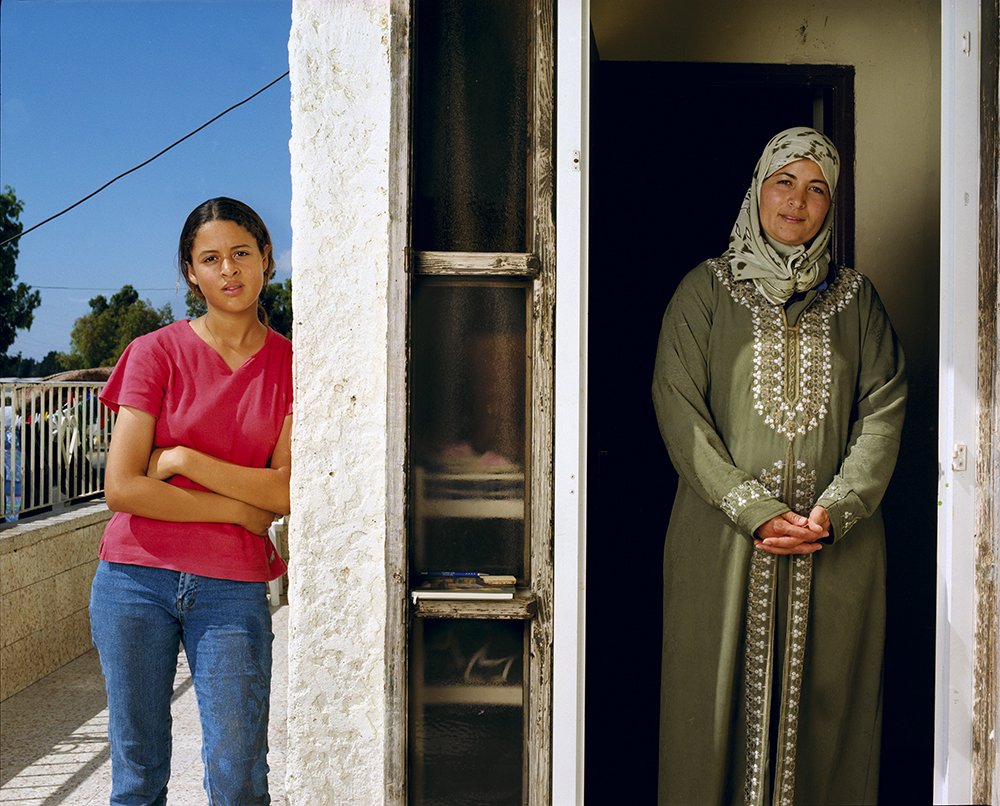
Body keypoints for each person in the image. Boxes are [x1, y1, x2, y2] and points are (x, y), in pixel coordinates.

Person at [652, 127, 906, 805]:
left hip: (838, 552)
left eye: (817, 188)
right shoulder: (704, 292)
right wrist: (753, 510)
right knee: (709, 718)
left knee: (830, 721)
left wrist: (836, 509)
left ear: (832, 206)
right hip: (721, 545)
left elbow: (883, 412)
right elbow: (678, 411)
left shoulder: (859, 303)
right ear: (757, 188)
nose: (798, 200)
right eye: (784, 181)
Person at [89, 197, 292, 805]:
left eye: (241, 254)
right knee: (138, 770)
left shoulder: (293, 364)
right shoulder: (155, 352)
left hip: (231, 586)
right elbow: (122, 488)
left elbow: (284, 489)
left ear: (266, 261)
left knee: (238, 775)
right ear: (190, 273)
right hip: (132, 581)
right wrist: (236, 507)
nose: (228, 269)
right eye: (211, 258)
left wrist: (181, 462)